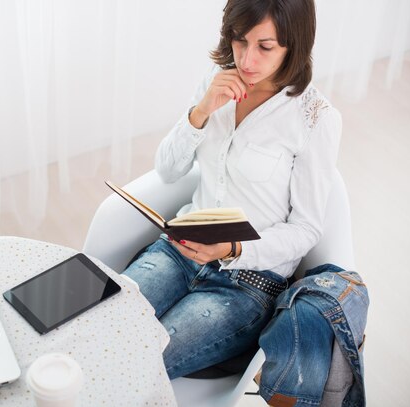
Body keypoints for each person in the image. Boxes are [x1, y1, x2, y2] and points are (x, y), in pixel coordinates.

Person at [122, 0, 341, 380]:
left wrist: (233, 249)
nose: (247, 59)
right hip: (179, 252)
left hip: (246, 284)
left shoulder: (314, 117)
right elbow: (168, 170)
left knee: (140, 364)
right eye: (240, 41)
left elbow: (306, 229)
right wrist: (202, 110)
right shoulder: (216, 80)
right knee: (102, 324)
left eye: (265, 47)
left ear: (294, 45)